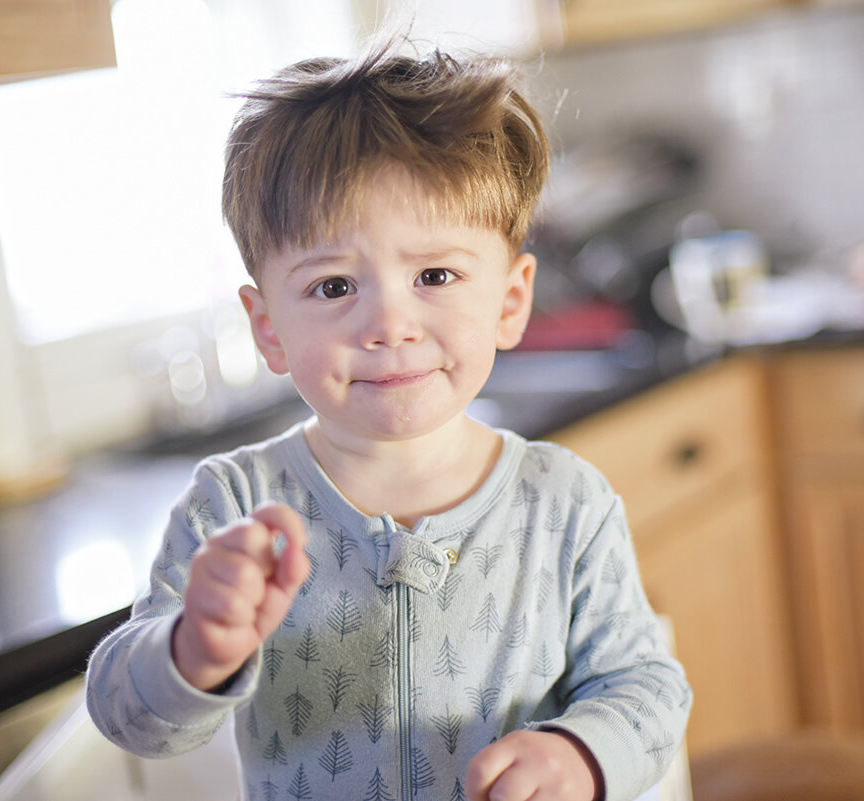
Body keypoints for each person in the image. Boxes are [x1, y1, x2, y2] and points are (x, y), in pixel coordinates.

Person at [86, 39, 691, 801]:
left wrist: (582, 752)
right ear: (268, 326)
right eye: (334, 285)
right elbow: (128, 717)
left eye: (435, 275)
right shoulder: (234, 508)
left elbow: (646, 687)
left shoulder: (566, 503)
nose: (390, 323)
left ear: (510, 300)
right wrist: (189, 650)